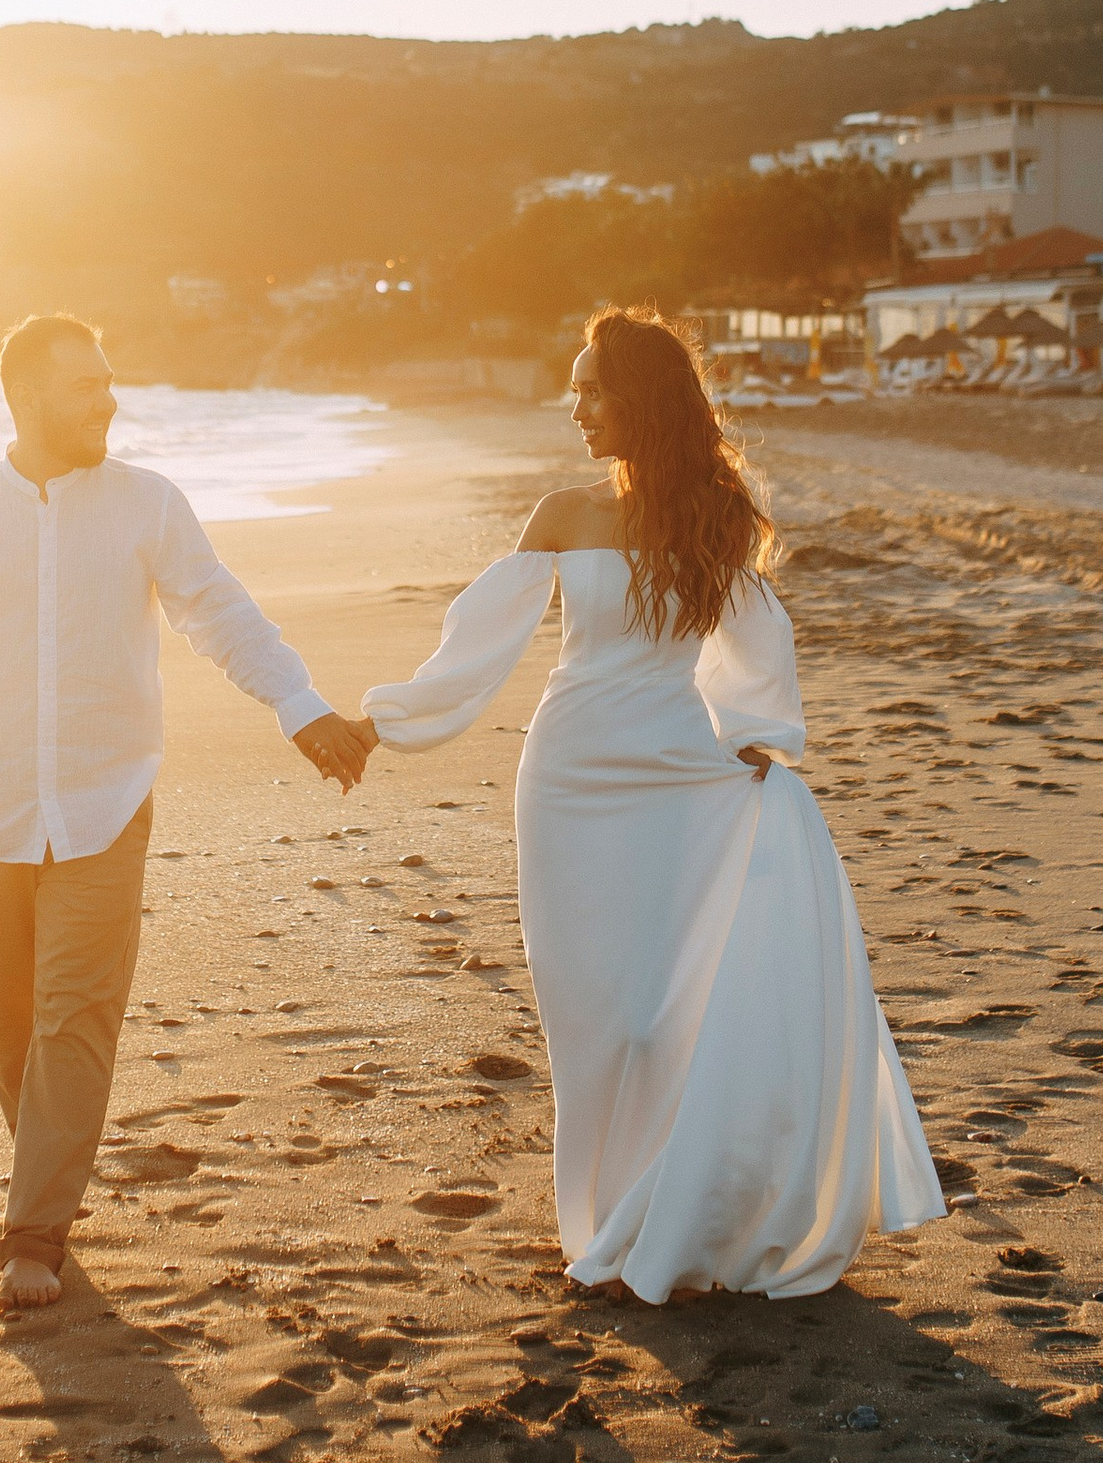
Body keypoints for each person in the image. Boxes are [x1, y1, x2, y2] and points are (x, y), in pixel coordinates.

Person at [351, 305, 942, 1302]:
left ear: (644, 399)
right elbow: (475, 646)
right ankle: (606, 1217)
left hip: (678, 777)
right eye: (574, 385)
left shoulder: (716, 516)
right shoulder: (560, 513)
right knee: (597, 1020)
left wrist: (762, 734)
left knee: (667, 1016)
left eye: (591, 387)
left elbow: (755, 641)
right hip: (572, 780)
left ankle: (671, 1219)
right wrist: (382, 721)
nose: (573, 405)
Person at [0, 314, 373, 1310]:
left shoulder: (146, 505)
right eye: (86, 384)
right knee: (12, 1026)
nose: (109, 398)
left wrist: (297, 707)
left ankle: (32, 1233)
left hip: (104, 799)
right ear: (26, 396)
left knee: (74, 1016)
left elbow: (217, 610)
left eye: (108, 379)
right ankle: (45, 1173)